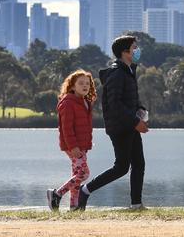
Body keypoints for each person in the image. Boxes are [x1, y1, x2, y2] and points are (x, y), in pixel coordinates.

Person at [76, 35, 149, 211]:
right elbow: (114, 103)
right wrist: (134, 121)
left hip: (130, 125)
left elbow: (130, 100)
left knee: (139, 164)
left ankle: (136, 204)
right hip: (120, 127)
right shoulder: (117, 74)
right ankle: (85, 190)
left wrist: (141, 111)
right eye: (134, 47)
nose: (137, 50)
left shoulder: (129, 71)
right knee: (122, 167)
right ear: (124, 52)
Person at [47, 70, 96, 211]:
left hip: (82, 145)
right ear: (72, 86)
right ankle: (57, 194)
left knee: (77, 175)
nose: (85, 86)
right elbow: (66, 128)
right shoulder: (68, 102)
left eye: (87, 83)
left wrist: (85, 144)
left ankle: (73, 206)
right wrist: (73, 146)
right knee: (83, 174)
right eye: (80, 83)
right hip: (73, 146)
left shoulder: (85, 102)